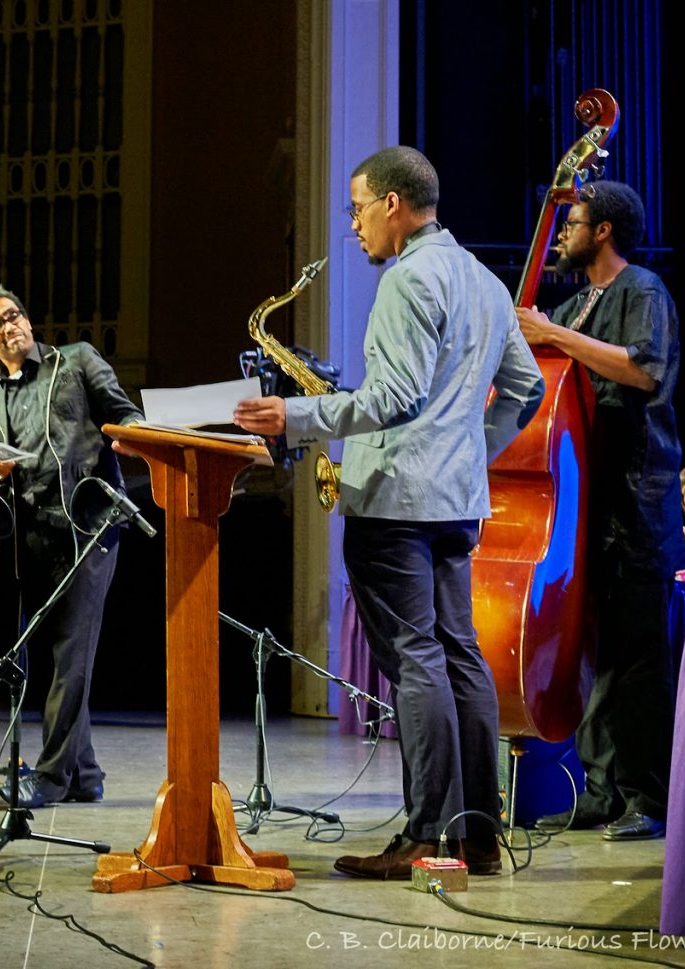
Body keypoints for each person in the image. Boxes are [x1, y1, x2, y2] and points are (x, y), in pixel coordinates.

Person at [234, 146, 545, 879]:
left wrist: (296, 413)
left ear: (394, 206)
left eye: (358, 207)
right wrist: (471, 447)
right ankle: (475, 837)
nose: (355, 224)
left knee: (417, 660)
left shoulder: (409, 279)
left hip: (398, 499)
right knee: (457, 654)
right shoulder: (483, 281)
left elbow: (395, 396)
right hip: (455, 499)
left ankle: (427, 835)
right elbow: (525, 386)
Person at [516, 181, 685, 842]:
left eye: (574, 221)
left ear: (605, 230)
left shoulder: (640, 290)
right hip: (589, 505)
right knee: (596, 657)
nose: (563, 233)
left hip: (638, 504)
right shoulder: (580, 301)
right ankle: (601, 788)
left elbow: (644, 370)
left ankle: (647, 794)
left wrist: (553, 332)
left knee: (638, 660)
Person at [0, 281, 144, 809]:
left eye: (14, 315)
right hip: (34, 536)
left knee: (71, 658)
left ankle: (50, 775)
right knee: (53, 658)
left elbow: (124, 412)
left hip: (90, 528)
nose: (10, 326)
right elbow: (9, 474)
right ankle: (84, 775)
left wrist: (134, 435)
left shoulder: (75, 361)